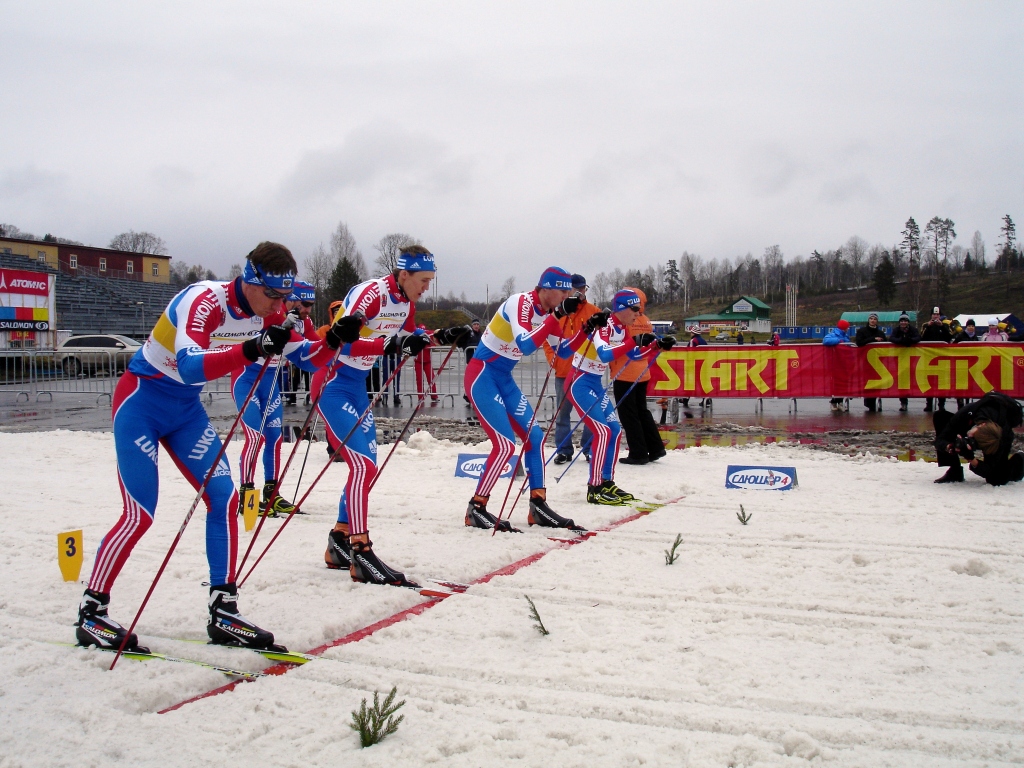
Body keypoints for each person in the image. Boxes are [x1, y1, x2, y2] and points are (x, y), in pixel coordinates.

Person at [76, 242, 345, 655]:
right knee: (140, 513)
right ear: (248, 279)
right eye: (271, 295)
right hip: (141, 403)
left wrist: (335, 342)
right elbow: (190, 365)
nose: (277, 305)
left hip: (185, 412)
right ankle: (92, 612)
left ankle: (224, 610)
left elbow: (308, 358)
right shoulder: (204, 300)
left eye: (283, 297)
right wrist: (253, 348)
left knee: (224, 496)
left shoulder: (269, 311)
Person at [320, 246, 464, 586]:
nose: (427, 287)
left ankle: (339, 539)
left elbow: (407, 340)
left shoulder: (406, 304)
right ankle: (360, 549)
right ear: (403, 275)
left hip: (357, 386)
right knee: (363, 465)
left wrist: (440, 337)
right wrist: (394, 345)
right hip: (332, 381)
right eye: (423, 280)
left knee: (369, 464)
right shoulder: (372, 295)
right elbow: (345, 342)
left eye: (430, 280)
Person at [464, 266, 589, 532]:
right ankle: (477, 507)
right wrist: (555, 317)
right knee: (505, 445)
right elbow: (525, 345)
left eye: (570, 291)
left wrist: (585, 331)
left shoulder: (549, 315)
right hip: (482, 375)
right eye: (563, 290)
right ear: (546, 289)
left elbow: (563, 351)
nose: (568, 295)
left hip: (504, 379)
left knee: (535, 438)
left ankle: (538, 505)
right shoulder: (520, 302)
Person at [569, 289, 672, 505]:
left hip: (594, 383)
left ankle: (606, 482)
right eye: (635, 309)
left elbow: (632, 355)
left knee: (615, 430)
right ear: (622, 309)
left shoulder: (621, 328)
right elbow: (606, 354)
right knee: (602, 431)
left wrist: (655, 346)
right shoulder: (604, 325)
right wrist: (634, 340)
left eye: (640, 309)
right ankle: (594, 487)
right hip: (579, 382)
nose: (638, 313)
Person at [609, 287, 667, 465]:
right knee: (642, 411)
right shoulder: (646, 321)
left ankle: (638, 452)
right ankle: (656, 447)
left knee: (629, 415)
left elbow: (622, 345)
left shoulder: (627, 322)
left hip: (625, 371)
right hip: (643, 371)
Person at [544, 273, 597, 465]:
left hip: (586, 372)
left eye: (583, 288)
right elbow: (546, 338)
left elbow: (603, 338)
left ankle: (590, 448)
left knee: (590, 411)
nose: (581, 292)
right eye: (577, 289)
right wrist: (553, 359)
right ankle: (564, 449)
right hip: (564, 371)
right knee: (562, 414)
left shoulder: (593, 311)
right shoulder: (558, 312)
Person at [933, 391, 1024, 485]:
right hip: (974, 422)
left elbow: (990, 472)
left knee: (997, 479)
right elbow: (940, 439)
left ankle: (1020, 460)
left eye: (976, 443)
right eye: (973, 437)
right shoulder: (967, 413)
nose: (970, 438)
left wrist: (971, 459)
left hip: (998, 438)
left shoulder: (1003, 437)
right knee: (940, 417)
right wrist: (950, 447)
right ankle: (955, 471)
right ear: (981, 425)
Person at [284, 281, 319, 406]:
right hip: (254, 371)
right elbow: (294, 341)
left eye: (311, 305)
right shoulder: (277, 314)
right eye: (305, 304)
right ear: (292, 299)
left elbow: (316, 341)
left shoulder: (305, 320)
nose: (308, 310)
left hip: (274, 369)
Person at [920, 306, 952, 412]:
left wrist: (942, 327)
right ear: (931, 315)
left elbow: (949, 337)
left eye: (937, 314)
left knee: (942, 382)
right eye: (934, 314)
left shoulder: (945, 325)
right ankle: (929, 404)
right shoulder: (925, 325)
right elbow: (921, 338)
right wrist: (928, 327)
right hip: (929, 358)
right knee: (929, 381)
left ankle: (941, 405)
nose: (936, 316)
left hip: (942, 358)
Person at [855, 313, 887, 411]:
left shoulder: (881, 333)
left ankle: (876, 399)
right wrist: (873, 340)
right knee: (868, 382)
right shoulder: (862, 331)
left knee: (878, 382)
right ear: (868, 320)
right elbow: (859, 342)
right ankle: (869, 402)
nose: (873, 320)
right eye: (871, 319)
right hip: (865, 361)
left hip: (878, 362)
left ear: (877, 321)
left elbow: (886, 345)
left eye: (875, 319)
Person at [888, 312, 920, 411]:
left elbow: (918, 337)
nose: (903, 323)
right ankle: (903, 402)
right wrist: (900, 340)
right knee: (902, 381)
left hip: (913, 359)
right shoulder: (896, 330)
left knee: (915, 378)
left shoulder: (913, 330)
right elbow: (891, 338)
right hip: (900, 358)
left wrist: (910, 340)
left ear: (908, 322)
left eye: (905, 321)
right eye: (902, 321)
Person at [822, 319, 854, 411]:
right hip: (836, 363)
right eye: (847, 327)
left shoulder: (845, 336)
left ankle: (840, 401)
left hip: (844, 362)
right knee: (837, 383)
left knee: (843, 382)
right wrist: (838, 341)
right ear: (844, 328)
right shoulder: (834, 335)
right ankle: (834, 401)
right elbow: (825, 341)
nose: (848, 328)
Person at [680, 329, 708, 408]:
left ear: (694, 333)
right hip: (703, 364)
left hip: (694, 365)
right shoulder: (703, 341)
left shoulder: (693, 341)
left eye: (691, 332)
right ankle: (706, 399)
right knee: (701, 383)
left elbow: (690, 352)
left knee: (689, 382)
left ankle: (685, 399)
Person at [413, 323, 440, 404]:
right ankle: (420, 397)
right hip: (418, 362)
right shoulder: (414, 337)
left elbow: (434, 341)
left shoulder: (429, 336)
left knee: (431, 378)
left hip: (427, 361)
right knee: (419, 379)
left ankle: (434, 396)